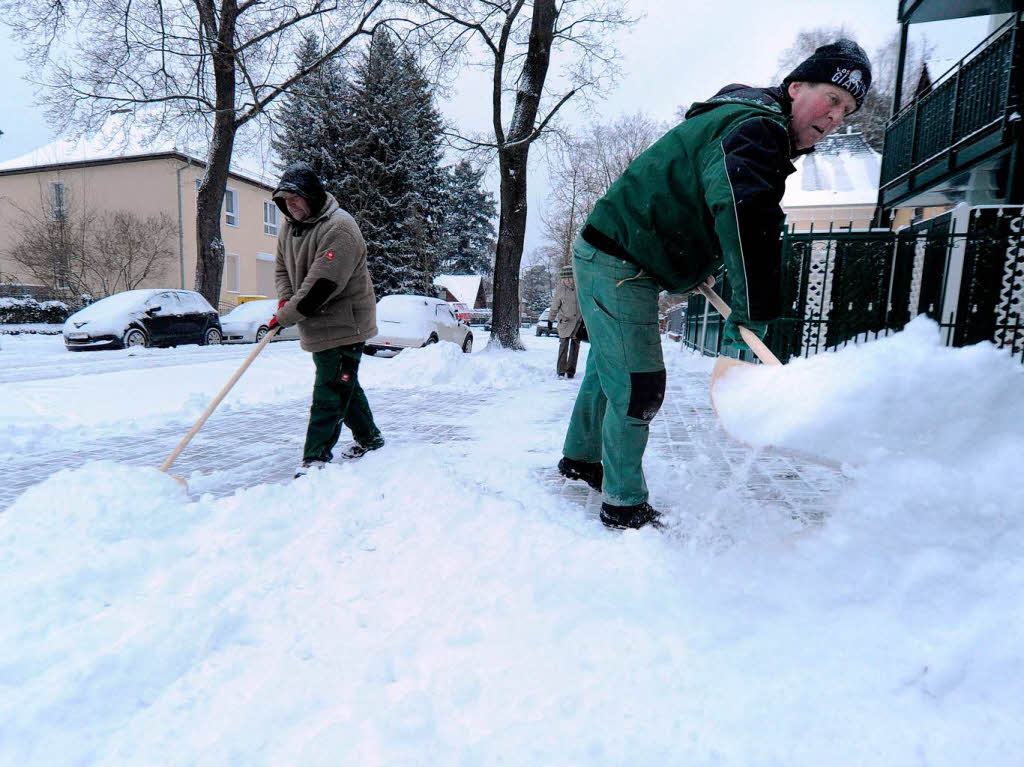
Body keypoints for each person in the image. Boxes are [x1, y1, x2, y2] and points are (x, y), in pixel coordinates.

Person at [558, 40, 872, 529]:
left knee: (609, 363)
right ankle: (623, 504)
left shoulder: (745, 121)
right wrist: (755, 309)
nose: (835, 117)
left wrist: (692, 258)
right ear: (794, 88)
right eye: (831, 98)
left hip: (622, 251)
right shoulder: (757, 130)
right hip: (618, 259)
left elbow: (701, 199)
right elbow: (747, 217)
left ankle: (581, 459)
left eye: (847, 111)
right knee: (639, 384)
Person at [268, 162, 385, 478]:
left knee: (330, 390)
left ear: (312, 196)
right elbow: (282, 270)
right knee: (343, 385)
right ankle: (370, 440)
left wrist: (285, 315)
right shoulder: (291, 227)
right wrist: (284, 300)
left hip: (346, 324)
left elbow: (320, 287)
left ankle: (315, 458)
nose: (291, 208)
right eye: (286, 203)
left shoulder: (340, 228)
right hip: (315, 324)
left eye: (296, 200)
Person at [551, 264, 583, 378]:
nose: (569, 281)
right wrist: (550, 320)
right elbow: (555, 306)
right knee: (563, 346)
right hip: (564, 322)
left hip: (578, 323)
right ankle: (560, 371)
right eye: (566, 279)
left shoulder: (580, 288)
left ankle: (570, 371)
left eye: (571, 278)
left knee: (575, 347)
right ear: (563, 279)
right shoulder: (560, 290)